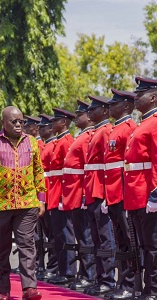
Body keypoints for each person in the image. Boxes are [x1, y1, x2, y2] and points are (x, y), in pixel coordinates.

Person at [0, 106, 46, 300]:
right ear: (3, 123)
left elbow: (39, 171)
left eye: (21, 121)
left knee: (27, 244)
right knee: (0, 248)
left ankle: (29, 288)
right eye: (14, 121)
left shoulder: (31, 142)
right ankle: (4, 288)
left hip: (27, 204)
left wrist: (41, 199)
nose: (18, 125)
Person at [123, 77, 157, 300]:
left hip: (147, 195)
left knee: (153, 247)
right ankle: (145, 289)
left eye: (139, 94)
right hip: (134, 195)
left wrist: (155, 194)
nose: (135, 98)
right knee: (140, 246)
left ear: (152, 98)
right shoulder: (142, 124)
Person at [103, 89, 137, 300]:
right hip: (114, 193)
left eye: (114, 104)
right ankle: (123, 281)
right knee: (120, 242)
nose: (110, 108)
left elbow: (128, 166)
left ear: (125, 106)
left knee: (130, 241)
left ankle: (131, 283)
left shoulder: (128, 129)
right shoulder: (116, 129)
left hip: (124, 192)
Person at [83, 95, 116, 296]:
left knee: (105, 238)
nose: (89, 112)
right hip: (92, 189)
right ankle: (99, 277)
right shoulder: (97, 132)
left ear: (104, 111)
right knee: (96, 238)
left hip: (100, 190)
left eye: (94, 108)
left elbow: (107, 167)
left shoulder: (105, 132)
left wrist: (105, 193)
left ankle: (108, 279)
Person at [61, 99, 95, 290]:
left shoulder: (88, 136)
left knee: (86, 237)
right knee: (82, 237)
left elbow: (86, 170)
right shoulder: (81, 136)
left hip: (81, 193)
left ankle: (88, 274)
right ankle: (84, 272)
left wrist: (83, 194)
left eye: (80, 114)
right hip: (73, 194)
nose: (77, 116)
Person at [46, 108, 77, 285]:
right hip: (54, 191)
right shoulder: (59, 141)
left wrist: (63, 197)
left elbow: (68, 174)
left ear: (64, 122)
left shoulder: (66, 142)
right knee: (58, 235)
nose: (52, 124)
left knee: (66, 234)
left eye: (55, 121)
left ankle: (69, 271)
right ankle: (61, 268)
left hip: (61, 193)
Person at [36, 114, 59, 281]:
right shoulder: (47, 146)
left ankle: (53, 266)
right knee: (44, 234)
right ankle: (44, 265)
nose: (39, 130)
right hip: (46, 193)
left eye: (43, 127)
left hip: (52, 193)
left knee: (53, 234)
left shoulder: (50, 145)